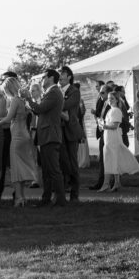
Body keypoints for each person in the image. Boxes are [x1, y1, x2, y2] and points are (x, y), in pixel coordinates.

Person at [0, 78, 35, 207]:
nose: (4, 92)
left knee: (15, 168)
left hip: (17, 136)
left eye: (4, 90)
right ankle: (22, 197)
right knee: (20, 167)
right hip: (24, 135)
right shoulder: (23, 100)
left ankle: (19, 198)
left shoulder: (15, 100)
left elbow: (8, 119)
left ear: (8, 88)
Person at [24, 70, 66, 207]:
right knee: (47, 170)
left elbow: (40, 108)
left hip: (50, 135)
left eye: (43, 77)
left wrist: (28, 98)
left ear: (51, 78)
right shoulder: (50, 92)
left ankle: (59, 199)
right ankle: (46, 198)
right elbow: (38, 110)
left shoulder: (54, 92)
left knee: (53, 170)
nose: (42, 79)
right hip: (46, 135)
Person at [99, 91, 139, 191]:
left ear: (117, 100)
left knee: (111, 159)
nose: (109, 100)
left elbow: (115, 126)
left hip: (113, 138)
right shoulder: (110, 110)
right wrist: (103, 126)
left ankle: (106, 184)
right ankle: (116, 182)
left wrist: (104, 126)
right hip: (109, 137)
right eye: (109, 98)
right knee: (112, 159)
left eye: (112, 98)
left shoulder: (116, 111)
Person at [57, 67, 84, 204]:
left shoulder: (74, 91)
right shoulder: (56, 90)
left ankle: (74, 194)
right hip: (58, 131)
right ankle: (61, 193)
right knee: (62, 162)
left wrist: (53, 103)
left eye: (62, 74)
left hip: (71, 131)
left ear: (69, 77)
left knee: (73, 164)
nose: (59, 76)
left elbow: (65, 105)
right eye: (59, 74)